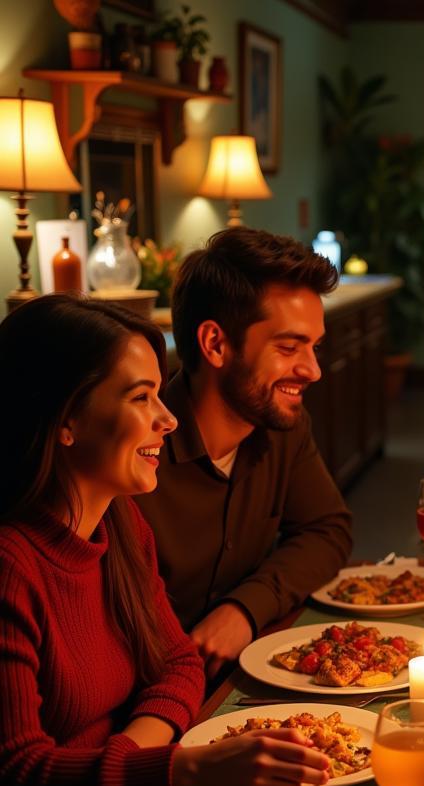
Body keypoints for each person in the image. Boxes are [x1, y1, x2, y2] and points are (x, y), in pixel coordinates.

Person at [0, 296, 332, 786]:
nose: (167, 419)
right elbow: (17, 780)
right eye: (139, 397)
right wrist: (184, 770)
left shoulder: (120, 525)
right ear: (63, 420)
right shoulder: (10, 568)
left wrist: (130, 766)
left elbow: (177, 665)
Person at [134, 228, 353, 680]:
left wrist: (244, 608)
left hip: (243, 681)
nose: (312, 370)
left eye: (315, 347)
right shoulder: (133, 452)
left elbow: (327, 530)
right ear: (215, 343)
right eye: (289, 347)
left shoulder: (282, 426)